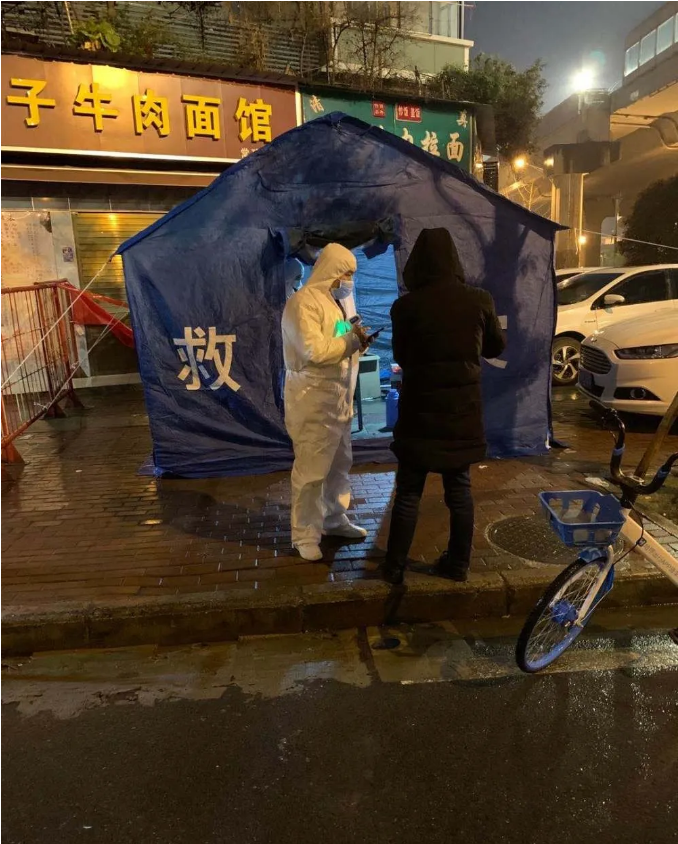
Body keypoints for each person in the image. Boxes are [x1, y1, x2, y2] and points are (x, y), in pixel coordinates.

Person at [383, 228, 506, 585]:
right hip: (461, 412)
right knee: (459, 490)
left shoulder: (405, 306)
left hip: (419, 412)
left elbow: (401, 355)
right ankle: (458, 565)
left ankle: (393, 567)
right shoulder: (479, 299)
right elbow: (495, 347)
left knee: (408, 492)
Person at [281, 243, 371, 562]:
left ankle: (334, 519)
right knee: (311, 472)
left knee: (338, 467)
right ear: (331, 270)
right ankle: (304, 535)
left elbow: (339, 341)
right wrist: (350, 341)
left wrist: (357, 340)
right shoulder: (303, 303)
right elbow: (314, 351)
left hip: (338, 401)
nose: (349, 280)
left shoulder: (333, 303)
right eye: (346, 273)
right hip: (312, 400)